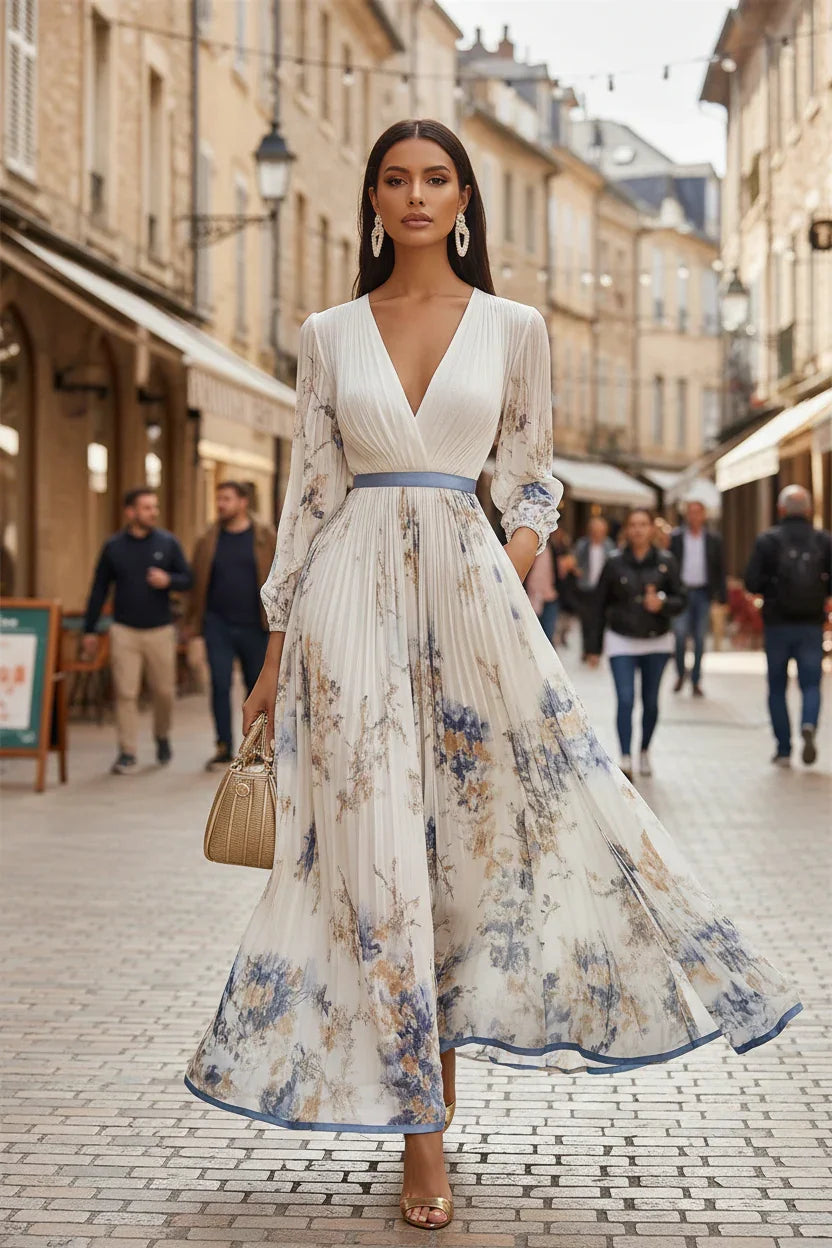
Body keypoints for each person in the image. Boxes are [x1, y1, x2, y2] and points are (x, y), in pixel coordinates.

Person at [183, 119, 803, 1232]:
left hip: (474, 607)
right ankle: (424, 1139)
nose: (414, 196)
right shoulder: (326, 336)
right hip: (350, 610)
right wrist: (275, 652)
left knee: (481, 849)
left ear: (464, 199)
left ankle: (438, 1083)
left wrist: (506, 572)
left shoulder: (515, 328)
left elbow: (531, 484)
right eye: (394, 180)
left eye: (434, 179)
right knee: (377, 863)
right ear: (372, 202)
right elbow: (310, 502)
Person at [82, 487, 192, 774]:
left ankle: (161, 735)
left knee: (164, 692)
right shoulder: (114, 547)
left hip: (160, 629)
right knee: (126, 693)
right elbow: (98, 589)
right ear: (130, 512)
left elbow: (188, 578)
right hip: (124, 631)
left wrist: (168, 579)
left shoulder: (168, 543)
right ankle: (127, 752)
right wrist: (89, 630)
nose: (153, 512)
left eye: (154, 507)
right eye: (146, 507)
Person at [586, 508, 686, 780]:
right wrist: (592, 648)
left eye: (644, 524)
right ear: (627, 530)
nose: (639, 530)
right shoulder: (614, 563)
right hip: (621, 640)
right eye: (634, 524)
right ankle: (626, 757)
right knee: (626, 699)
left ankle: (644, 750)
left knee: (651, 702)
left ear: (653, 529)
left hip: (657, 641)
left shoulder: (666, 562)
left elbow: (681, 599)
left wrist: (663, 603)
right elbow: (597, 606)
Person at [184, 482, 276, 770]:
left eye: (226, 499)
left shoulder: (264, 537)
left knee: (255, 685)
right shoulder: (208, 539)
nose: (221, 504)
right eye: (218, 498)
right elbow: (196, 583)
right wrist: (193, 623)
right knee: (219, 684)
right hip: (218, 625)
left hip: (255, 625)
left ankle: (258, 747)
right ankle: (223, 746)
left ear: (243, 502)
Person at [744, 484, 831, 767]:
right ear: (809, 509)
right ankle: (808, 723)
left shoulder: (768, 540)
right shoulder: (823, 540)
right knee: (811, 684)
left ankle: (783, 748)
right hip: (810, 624)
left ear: (781, 509)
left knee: (777, 686)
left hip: (778, 624)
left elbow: (751, 582)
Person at [670, 499, 727, 697]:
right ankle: (679, 673)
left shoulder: (713, 539)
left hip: (703, 593)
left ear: (704, 515)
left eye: (698, 512)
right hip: (682, 592)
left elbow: (720, 569)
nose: (694, 516)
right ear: (687, 515)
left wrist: (722, 596)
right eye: (691, 512)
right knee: (679, 635)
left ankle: (695, 680)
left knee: (700, 639)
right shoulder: (676, 538)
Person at [572, 515, 616, 660]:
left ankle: (596, 651)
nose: (597, 533)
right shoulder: (582, 545)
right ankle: (586, 650)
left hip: (603, 590)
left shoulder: (609, 546)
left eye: (600, 530)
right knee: (586, 621)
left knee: (600, 620)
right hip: (585, 588)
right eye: (595, 530)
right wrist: (576, 569)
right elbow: (574, 561)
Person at [523, 538, 558, 642]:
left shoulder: (551, 547)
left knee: (548, 637)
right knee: (532, 636)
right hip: (531, 597)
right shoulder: (530, 546)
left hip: (550, 596)